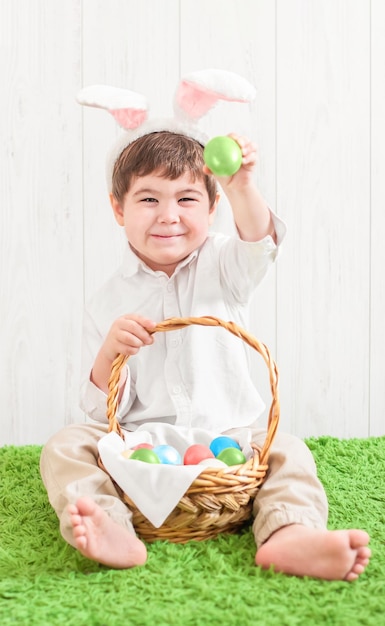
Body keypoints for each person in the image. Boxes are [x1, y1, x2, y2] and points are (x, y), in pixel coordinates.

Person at [40, 129, 370, 581]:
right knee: (65, 444)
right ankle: (110, 526)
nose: (169, 216)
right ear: (119, 209)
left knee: (288, 450)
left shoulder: (224, 266)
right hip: (142, 448)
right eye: (149, 200)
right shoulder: (106, 301)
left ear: (213, 209)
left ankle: (288, 534)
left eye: (187, 199)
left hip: (229, 442)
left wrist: (240, 186)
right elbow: (102, 410)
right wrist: (110, 352)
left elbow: (260, 241)